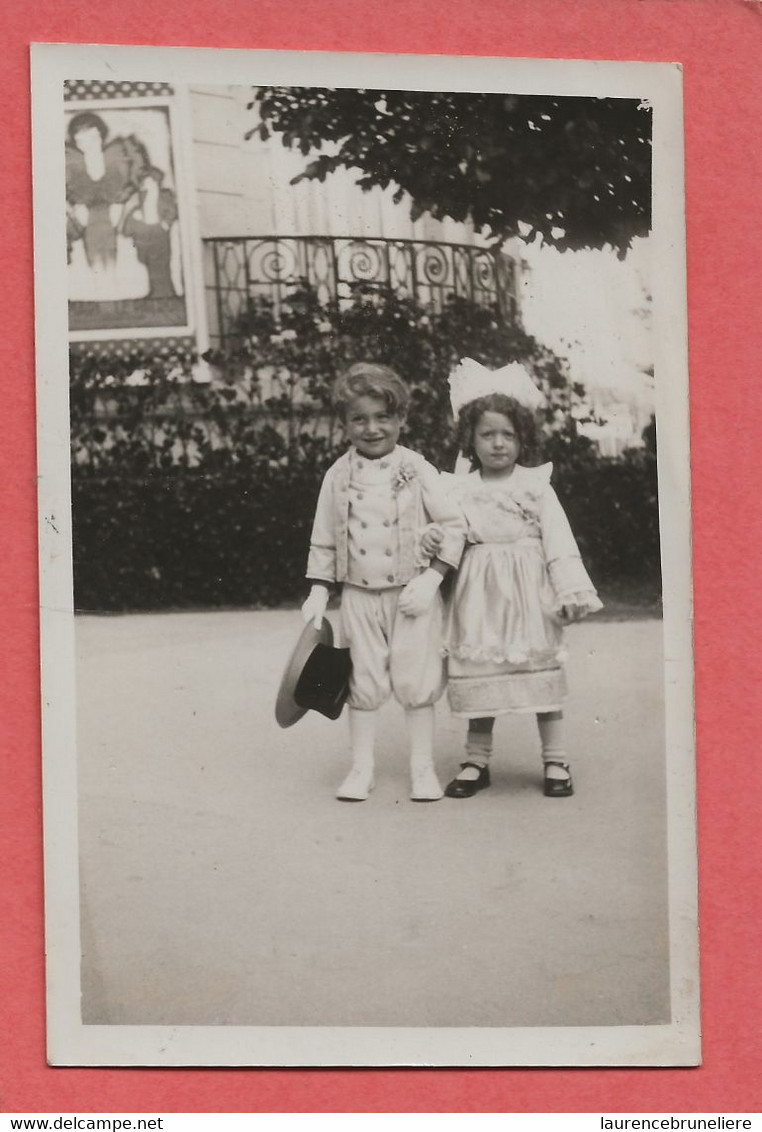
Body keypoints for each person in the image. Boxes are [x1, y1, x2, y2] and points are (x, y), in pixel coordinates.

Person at [421, 358, 602, 799]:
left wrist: (569, 589)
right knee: (481, 671)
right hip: (478, 594)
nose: (498, 444)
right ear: (470, 437)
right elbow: (448, 532)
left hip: (528, 592)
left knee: (538, 673)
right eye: (487, 434)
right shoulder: (458, 488)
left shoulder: (536, 485)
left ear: (523, 438)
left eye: (508, 434)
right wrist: (429, 543)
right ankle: (476, 761)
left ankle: (555, 759)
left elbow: (558, 539)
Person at [301, 363, 466, 802]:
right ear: (344, 424)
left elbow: (454, 526)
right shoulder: (337, 476)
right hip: (358, 595)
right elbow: (324, 537)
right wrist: (320, 588)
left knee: (418, 680)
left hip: (412, 595)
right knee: (362, 682)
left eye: (382, 418)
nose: (372, 428)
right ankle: (361, 768)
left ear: (400, 419)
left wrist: (433, 579)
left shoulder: (417, 468)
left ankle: (422, 768)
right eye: (359, 419)